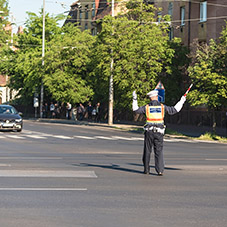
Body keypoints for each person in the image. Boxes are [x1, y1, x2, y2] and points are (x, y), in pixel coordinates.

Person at [132, 90, 186, 176]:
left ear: (150, 98)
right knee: (159, 151)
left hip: (149, 131)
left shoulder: (147, 107)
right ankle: (160, 170)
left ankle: (146, 169)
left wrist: (134, 99)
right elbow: (175, 109)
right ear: (157, 97)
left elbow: (136, 110)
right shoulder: (162, 107)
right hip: (159, 132)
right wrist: (182, 100)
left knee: (147, 150)